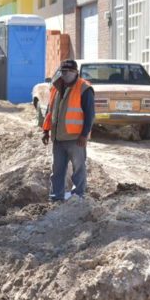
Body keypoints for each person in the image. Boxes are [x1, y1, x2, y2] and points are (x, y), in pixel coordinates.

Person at [42, 59, 95, 201]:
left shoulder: (84, 88)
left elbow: (90, 115)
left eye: (69, 72)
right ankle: (56, 197)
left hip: (76, 138)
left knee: (78, 169)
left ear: (76, 72)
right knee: (57, 170)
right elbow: (50, 111)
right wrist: (46, 131)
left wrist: (84, 135)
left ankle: (78, 196)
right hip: (58, 138)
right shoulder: (55, 87)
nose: (66, 74)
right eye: (64, 71)